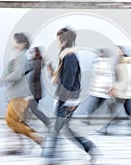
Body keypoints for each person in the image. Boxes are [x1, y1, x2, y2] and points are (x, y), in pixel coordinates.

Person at [44, 27, 98, 164]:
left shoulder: (69, 57)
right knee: (64, 129)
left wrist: (66, 102)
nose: (56, 42)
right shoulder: (65, 56)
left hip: (67, 101)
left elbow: (68, 82)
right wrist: (51, 71)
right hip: (67, 100)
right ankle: (89, 147)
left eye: (57, 39)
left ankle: (49, 158)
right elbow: (64, 79)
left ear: (62, 41)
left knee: (56, 130)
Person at [0, 32, 44, 155]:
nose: (13, 43)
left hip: (19, 94)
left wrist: (4, 78)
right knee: (13, 121)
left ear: (22, 44)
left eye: (15, 41)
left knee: (11, 121)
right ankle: (24, 143)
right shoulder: (20, 55)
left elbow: (17, 74)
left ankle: (37, 137)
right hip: (18, 94)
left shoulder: (21, 56)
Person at [84, 48, 114, 125]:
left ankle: (89, 117)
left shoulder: (100, 62)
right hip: (101, 89)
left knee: (97, 105)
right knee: (95, 104)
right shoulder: (100, 62)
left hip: (102, 89)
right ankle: (89, 117)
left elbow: (105, 75)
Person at [27, 47, 50, 128]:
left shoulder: (36, 63)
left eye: (32, 52)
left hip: (34, 91)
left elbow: (33, 77)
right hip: (36, 90)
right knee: (32, 108)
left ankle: (47, 122)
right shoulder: (36, 62)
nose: (30, 54)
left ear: (35, 53)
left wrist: (30, 93)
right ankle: (25, 123)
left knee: (33, 108)